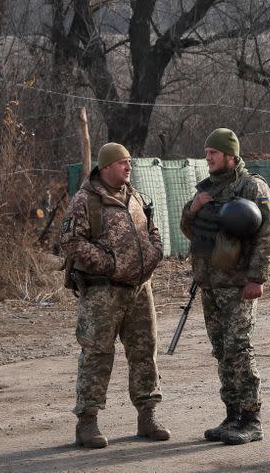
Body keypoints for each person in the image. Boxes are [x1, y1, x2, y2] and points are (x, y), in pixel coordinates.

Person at [60, 142, 168, 449]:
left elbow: (152, 229)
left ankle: (147, 417)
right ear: (106, 167)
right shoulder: (86, 200)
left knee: (144, 352)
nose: (128, 167)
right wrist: (109, 264)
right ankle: (88, 422)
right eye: (123, 163)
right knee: (97, 354)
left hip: (139, 290)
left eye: (129, 162)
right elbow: (70, 242)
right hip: (102, 293)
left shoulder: (135, 195)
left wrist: (154, 252)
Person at [180, 128, 270, 445]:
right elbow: (191, 230)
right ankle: (232, 414)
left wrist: (257, 279)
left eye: (214, 153)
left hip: (238, 285)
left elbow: (267, 236)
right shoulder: (207, 189)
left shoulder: (252, 187)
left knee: (239, 349)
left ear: (230, 156)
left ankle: (251, 420)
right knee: (222, 350)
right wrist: (193, 208)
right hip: (210, 284)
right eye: (207, 153)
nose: (208, 158)